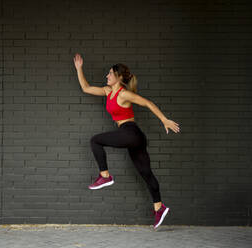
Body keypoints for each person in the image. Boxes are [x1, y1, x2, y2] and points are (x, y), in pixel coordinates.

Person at [73, 53, 180, 229]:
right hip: (134, 137)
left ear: (119, 77)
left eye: (109, 74)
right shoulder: (108, 91)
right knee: (146, 173)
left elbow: (147, 103)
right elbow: (86, 88)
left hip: (131, 133)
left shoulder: (124, 94)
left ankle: (105, 176)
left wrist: (164, 120)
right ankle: (159, 208)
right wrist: (79, 69)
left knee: (95, 141)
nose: (106, 76)